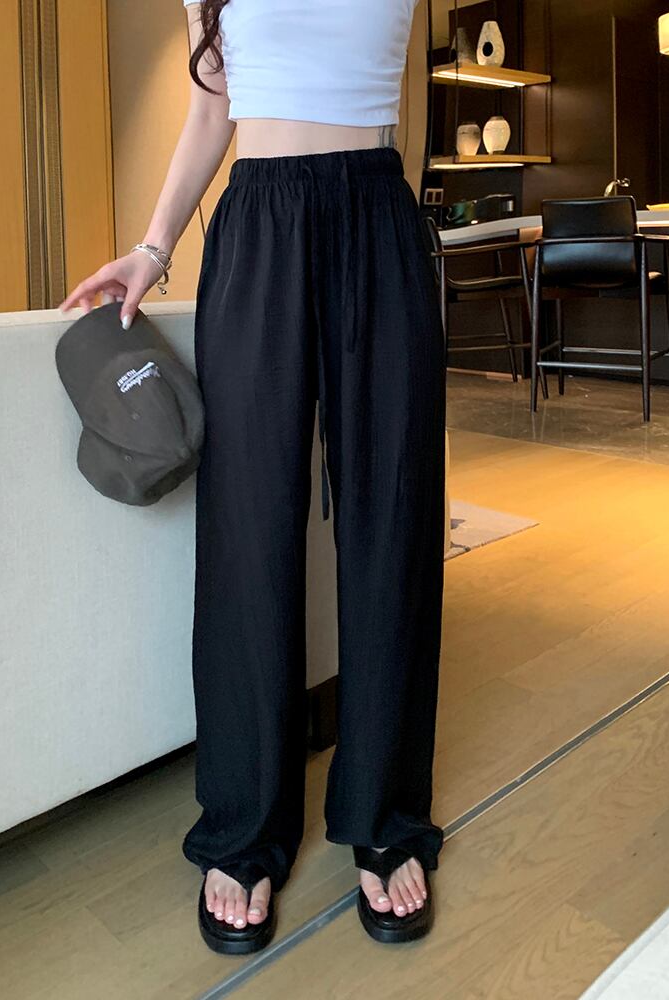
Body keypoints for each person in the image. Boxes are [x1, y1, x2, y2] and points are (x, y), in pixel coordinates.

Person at [59, 0, 446, 954]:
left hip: (379, 216)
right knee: (247, 530)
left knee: (392, 519)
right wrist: (152, 250)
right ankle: (246, 824)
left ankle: (384, 812)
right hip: (259, 225)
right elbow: (209, 112)